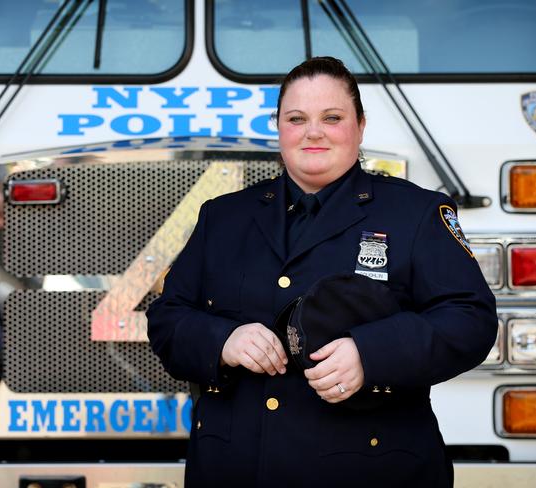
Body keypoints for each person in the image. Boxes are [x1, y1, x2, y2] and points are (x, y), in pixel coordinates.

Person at [146, 56, 497, 487]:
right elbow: (166, 320)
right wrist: (223, 341)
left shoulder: (417, 213)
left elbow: (471, 320)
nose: (314, 131)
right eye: (297, 118)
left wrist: (371, 354)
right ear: (278, 127)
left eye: (332, 117)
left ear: (360, 126)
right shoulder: (223, 217)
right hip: (233, 470)